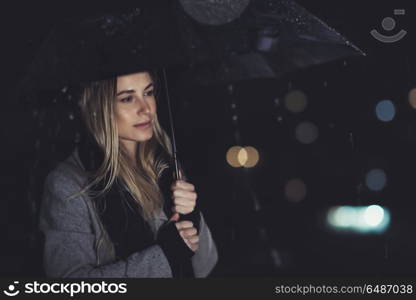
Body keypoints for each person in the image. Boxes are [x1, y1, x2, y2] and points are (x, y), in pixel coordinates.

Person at [38, 70, 218, 278]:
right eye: (127, 98)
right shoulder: (68, 184)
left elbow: (205, 266)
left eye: (148, 93)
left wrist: (190, 214)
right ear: (98, 107)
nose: (146, 109)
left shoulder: (164, 164)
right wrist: (164, 256)